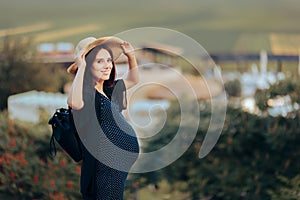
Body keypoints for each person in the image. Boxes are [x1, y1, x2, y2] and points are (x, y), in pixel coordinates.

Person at [67, 36, 140, 199]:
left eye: (109, 60)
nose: (107, 65)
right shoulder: (86, 93)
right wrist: (81, 66)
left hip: (116, 167)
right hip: (104, 168)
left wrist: (131, 56)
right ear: (87, 65)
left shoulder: (108, 90)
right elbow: (73, 102)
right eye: (99, 61)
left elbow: (134, 79)